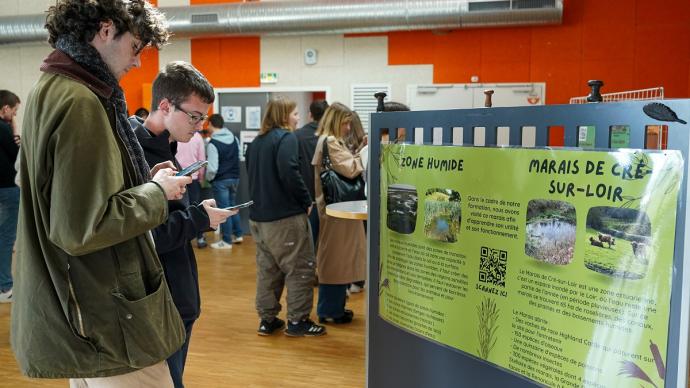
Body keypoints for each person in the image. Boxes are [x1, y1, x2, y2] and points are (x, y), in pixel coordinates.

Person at [11, 1, 192, 386]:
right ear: (106, 30)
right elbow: (83, 226)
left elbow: (61, 192)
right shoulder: (81, 101)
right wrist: (156, 194)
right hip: (106, 313)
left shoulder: (50, 88)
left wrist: (142, 181)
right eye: (136, 47)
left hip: (84, 306)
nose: (139, 62)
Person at [131, 61, 236, 388]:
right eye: (194, 116)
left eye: (203, 117)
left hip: (179, 294)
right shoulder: (137, 156)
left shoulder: (166, 149)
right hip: (161, 301)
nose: (200, 125)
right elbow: (149, 236)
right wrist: (201, 218)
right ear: (165, 105)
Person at [246, 97, 326, 337]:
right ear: (283, 115)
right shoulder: (286, 138)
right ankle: (298, 321)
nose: (297, 117)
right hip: (285, 218)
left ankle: (267, 319)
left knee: (268, 270)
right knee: (300, 267)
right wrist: (306, 201)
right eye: (293, 113)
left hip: (258, 219)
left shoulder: (256, 142)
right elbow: (289, 171)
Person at [312, 102, 367, 324]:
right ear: (336, 122)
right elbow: (352, 169)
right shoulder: (331, 141)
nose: (348, 127)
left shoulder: (330, 141)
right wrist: (364, 151)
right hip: (336, 212)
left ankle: (334, 308)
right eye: (345, 123)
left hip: (336, 210)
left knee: (338, 259)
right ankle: (330, 311)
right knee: (335, 260)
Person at [205, 114, 244, 250]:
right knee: (232, 207)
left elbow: (212, 168)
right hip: (235, 178)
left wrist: (208, 178)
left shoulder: (213, 143)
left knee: (224, 210)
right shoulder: (234, 138)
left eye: (207, 124)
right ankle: (238, 234)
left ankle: (227, 241)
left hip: (220, 180)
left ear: (211, 124)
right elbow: (239, 156)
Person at [294, 99, 328, 248]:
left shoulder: (297, 136)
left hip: (305, 196)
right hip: (328, 195)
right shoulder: (330, 137)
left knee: (307, 239)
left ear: (310, 115)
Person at [0, 90, 20, 303]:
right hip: (7, 189)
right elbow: (18, 157)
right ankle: (4, 287)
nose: (14, 115)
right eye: (14, 111)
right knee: (6, 239)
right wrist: (14, 130)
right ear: (5, 109)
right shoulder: (3, 128)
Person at [176, 123, 208, 248]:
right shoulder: (198, 137)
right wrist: (201, 177)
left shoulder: (176, 135)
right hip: (193, 179)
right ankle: (200, 238)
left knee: (179, 209)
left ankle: (183, 239)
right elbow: (202, 159)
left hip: (178, 178)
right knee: (196, 208)